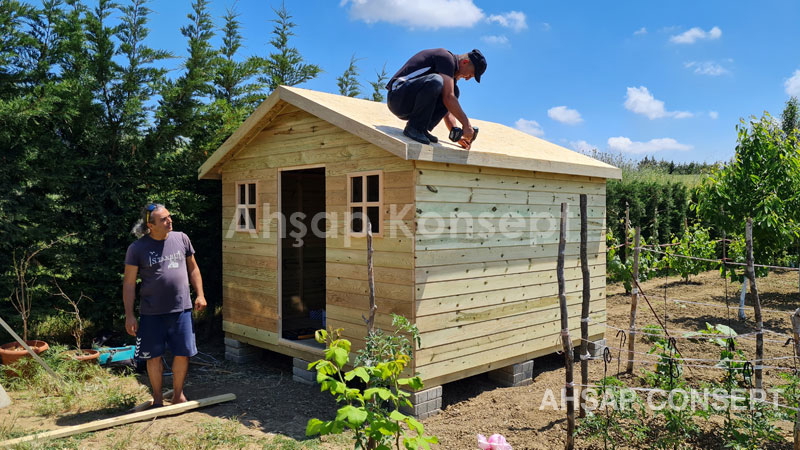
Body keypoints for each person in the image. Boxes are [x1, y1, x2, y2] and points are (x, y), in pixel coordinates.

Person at [123, 203, 207, 407]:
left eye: (169, 217)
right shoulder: (137, 248)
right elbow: (129, 283)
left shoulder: (182, 238)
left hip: (182, 309)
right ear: (150, 225)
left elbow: (193, 268)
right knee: (153, 356)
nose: (169, 221)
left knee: (183, 353)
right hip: (152, 312)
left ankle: (178, 394)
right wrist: (129, 315)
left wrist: (200, 295)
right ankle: (158, 398)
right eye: (164, 219)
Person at [386, 48, 487, 149]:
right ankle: (414, 127)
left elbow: (448, 108)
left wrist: (456, 134)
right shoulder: (445, 58)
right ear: (465, 62)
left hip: (408, 103)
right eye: (470, 74)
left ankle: (421, 129)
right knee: (437, 81)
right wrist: (467, 125)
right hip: (397, 97)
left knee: (454, 91)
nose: (467, 78)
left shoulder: (449, 73)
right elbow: (448, 97)